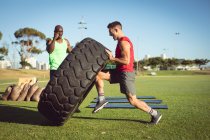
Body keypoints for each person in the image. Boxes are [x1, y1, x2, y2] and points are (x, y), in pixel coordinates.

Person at [93, 21, 162, 124]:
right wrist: (109, 62)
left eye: (111, 33)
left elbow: (126, 61)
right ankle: (101, 100)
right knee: (97, 74)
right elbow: (119, 60)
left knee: (132, 101)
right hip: (118, 71)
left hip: (126, 73)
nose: (110, 35)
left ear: (116, 29)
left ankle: (155, 114)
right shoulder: (120, 42)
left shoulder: (123, 42)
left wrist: (112, 58)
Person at [46, 25, 80, 113]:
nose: (60, 33)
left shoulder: (66, 41)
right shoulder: (49, 40)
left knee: (68, 89)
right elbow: (50, 50)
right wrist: (54, 39)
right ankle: (52, 108)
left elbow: (71, 52)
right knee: (54, 90)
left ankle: (73, 107)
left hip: (64, 69)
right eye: (58, 31)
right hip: (54, 68)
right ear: (54, 32)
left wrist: (76, 47)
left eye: (61, 31)